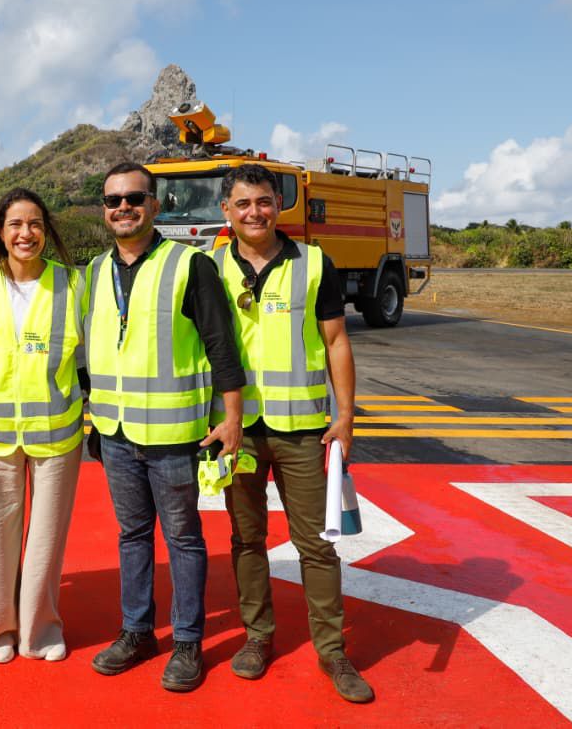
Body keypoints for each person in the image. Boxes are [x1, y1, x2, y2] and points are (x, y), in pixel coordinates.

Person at [83, 161, 245, 692]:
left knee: (182, 537)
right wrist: (94, 419)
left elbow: (222, 345)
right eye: (113, 200)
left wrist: (232, 419)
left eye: (134, 198)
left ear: (155, 205)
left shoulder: (190, 265)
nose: (123, 207)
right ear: (104, 211)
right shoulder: (94, 271)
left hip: (175, 436)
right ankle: (137, 632)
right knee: (132, 536)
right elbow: (94, 351)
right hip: (116, 433)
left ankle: (187, 643)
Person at [215, 163, 373, 704]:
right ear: (226, 212)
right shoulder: (210, 268)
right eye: (242, 204)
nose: (254, 212)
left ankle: (332, 650)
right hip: (239, 431)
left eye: (263, 201)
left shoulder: (313, 263)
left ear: (278, 206)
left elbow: (336, 342)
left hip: (305, 431)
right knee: (246, 539)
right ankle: (258, 637)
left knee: (316, 545)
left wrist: (345, 416)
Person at [0, 188, 83, 664]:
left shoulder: (74, 284)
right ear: (0, 230)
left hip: (57, 431)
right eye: (15, 224)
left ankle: (39, 629)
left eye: (34, 223)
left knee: (46, 537)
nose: (25, 233)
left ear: (46, 230)